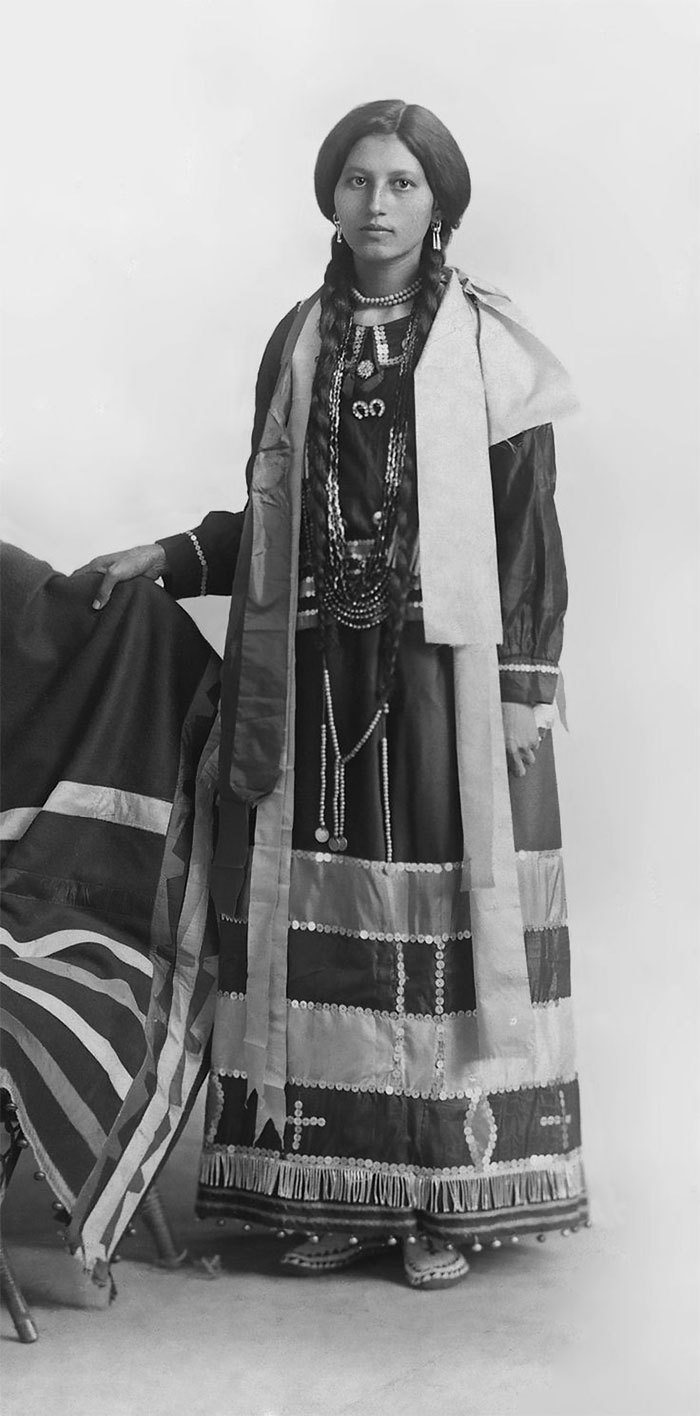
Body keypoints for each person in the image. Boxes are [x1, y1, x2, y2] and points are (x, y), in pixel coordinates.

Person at [75, 99, 588, 1289]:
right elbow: (270, 517)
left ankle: (439, 1204)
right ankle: (336, 1193)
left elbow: (526, 526)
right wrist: (172, 557)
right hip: (310, 678)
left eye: (401, 182)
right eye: (358, 180)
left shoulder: (487, 344)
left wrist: (521, 689)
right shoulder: (299, 340)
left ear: (438, 200)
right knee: (317, 917)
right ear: (332, 196)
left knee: (441, 918)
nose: (377, 203)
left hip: (444, 678)